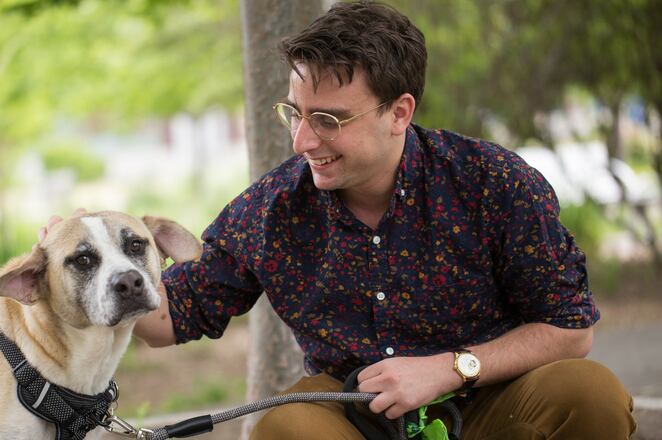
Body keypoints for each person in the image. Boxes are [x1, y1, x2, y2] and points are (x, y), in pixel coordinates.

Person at [41, 2, 635, 438]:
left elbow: (570, 329)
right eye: (295, 113)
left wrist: (449, 369)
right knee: (286, 429)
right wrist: (79, 262)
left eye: (329, 119)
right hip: (353, 409)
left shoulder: (494, 183)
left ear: (399, 112)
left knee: (590, 394)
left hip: (491, 396)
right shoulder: (269, 210)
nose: (303, 139)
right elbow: (170, 319)